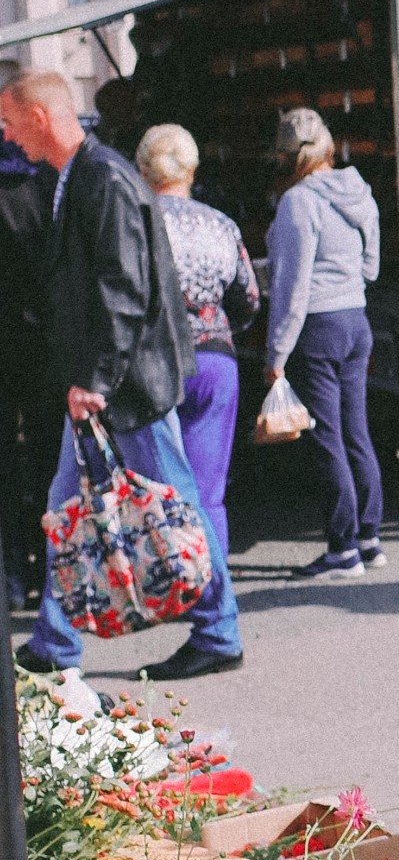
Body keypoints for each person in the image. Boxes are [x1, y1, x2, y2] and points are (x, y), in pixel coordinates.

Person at [1, 69, 243, 681]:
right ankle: (56, 644)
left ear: (39, 116)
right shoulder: (78, 176)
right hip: (103, 382)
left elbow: (123, 286)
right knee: (64, 505)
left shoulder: (102, 176)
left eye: (8, 120)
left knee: (177, 507)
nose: (5, 134)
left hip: (127, 385)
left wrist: (97, 379)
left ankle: (219, 632)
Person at [264, 107, 384, 580]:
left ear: (289, 156)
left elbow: (292, 287)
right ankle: (369, 538)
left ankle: (341, 550)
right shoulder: (360, 192)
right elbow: (371, 267)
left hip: (318, 326)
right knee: (356, 432)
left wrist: (275, 356)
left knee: (326, 438)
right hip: (357, 320)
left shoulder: (298, 202)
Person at [136, 122, 259, 560]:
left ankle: (170, 581)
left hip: (154, 366)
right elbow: (248, 298)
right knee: (209, 491)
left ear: (142, 170)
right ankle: (214, 595)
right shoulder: (221, 224)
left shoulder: (134, 224)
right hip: (214, 363)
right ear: (192, 170)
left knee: (159, 487)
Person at [0, 120, 59, 611]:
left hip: (12, 341)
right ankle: (50, 569)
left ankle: (13, 575)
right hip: (42, 340)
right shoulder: (44, 183)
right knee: (47, 458)